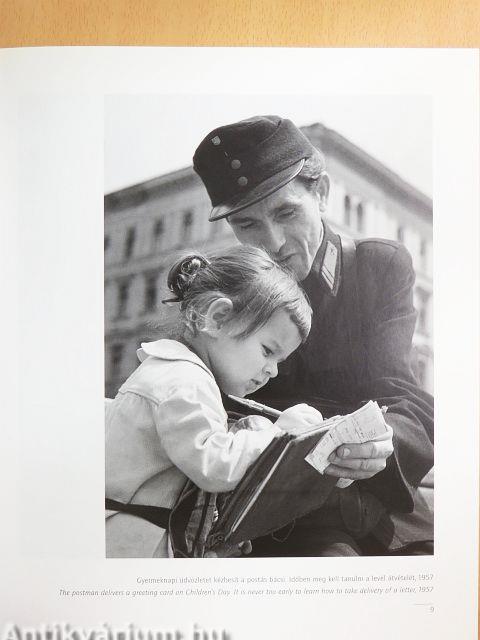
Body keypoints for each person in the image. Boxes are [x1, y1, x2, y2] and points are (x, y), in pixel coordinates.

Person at [193, 115, 434, 556]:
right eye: (247, 225)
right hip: (278, 513)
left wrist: (387, 440)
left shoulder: (378, 268)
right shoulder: (227, 294)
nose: (272, 243)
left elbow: (404, 397)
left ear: (320, 193)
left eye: (286, 213)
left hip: (377, 502)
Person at [105, 245, 321, 558]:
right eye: (267, 351)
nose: (273, 370)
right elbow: (215, 465)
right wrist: (278, 435)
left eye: (279, 360)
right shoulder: (183, 381)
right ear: (218, 318)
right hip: (133, 552)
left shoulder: (180, 373)